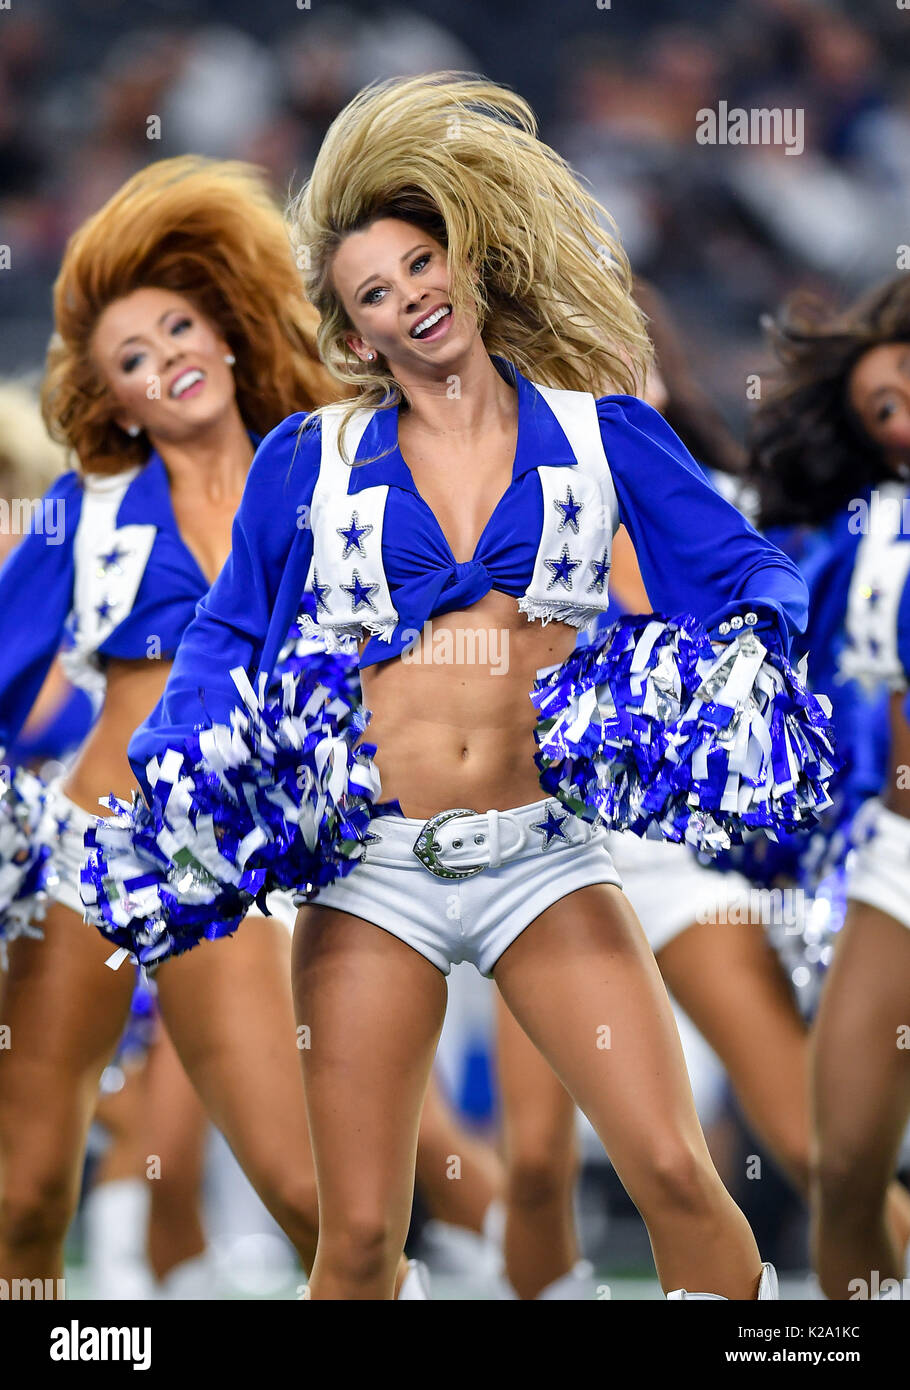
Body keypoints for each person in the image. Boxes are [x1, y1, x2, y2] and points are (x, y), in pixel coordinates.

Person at [97, 75, 834, 1301]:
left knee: (670, 1168)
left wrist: (745, 663)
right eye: (372, 293)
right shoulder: (308, 457)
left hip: (543, 856)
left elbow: (747, 571)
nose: (409, 298)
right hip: (370, 869)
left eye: (421, 264)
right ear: (354, 335)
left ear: (470, 263)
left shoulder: (605, 434)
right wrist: (179, 764)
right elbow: (225, 635)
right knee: (361, 1238)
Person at [0, 155, 438, 1296]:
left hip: (237, 860)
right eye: (130, 361)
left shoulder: (332, 474)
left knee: (313, 1195)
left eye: (179, 328)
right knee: (23, 1193)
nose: (165, 363)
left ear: (232, 325)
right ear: (115, 400)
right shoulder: (84, 510)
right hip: (87, 853)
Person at [750, 273, 910, 1300]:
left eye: (904, 388)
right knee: (843, 1163)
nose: (899, 423)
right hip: (894, 861)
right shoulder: (868, 529)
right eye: (879, 415)